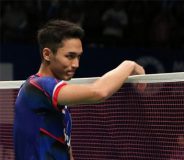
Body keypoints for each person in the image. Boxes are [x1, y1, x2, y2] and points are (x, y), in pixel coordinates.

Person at [13, 20, 145, 160]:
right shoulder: (38, 86)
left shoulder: (54, 97)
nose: (76, 64)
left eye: (78, 56)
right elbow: (99, 91)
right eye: (69, 56)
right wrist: (129, 65)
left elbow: (66, 148)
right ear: (47, 54)